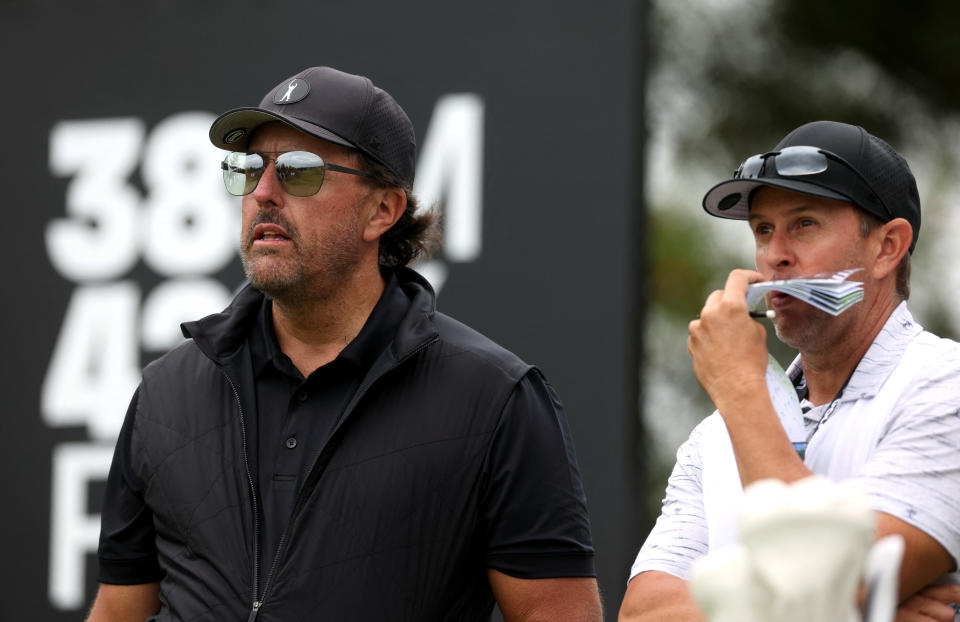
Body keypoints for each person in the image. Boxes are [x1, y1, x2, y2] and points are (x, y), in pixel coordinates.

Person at [86, 66, 602, 622]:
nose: (263, 193)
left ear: (382, 210)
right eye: (250, 169)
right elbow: (119, 609)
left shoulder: (496, 398)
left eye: (298, 172)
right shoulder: (167, 390)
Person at [619, 120, 960, 621]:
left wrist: (740, 386)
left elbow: (825, 577)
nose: (774, 255)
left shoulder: (944, 386)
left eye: (804, 224)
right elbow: (641, 614)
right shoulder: (714, 435)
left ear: (887, 247)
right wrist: (821, 609)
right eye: (762, 230)